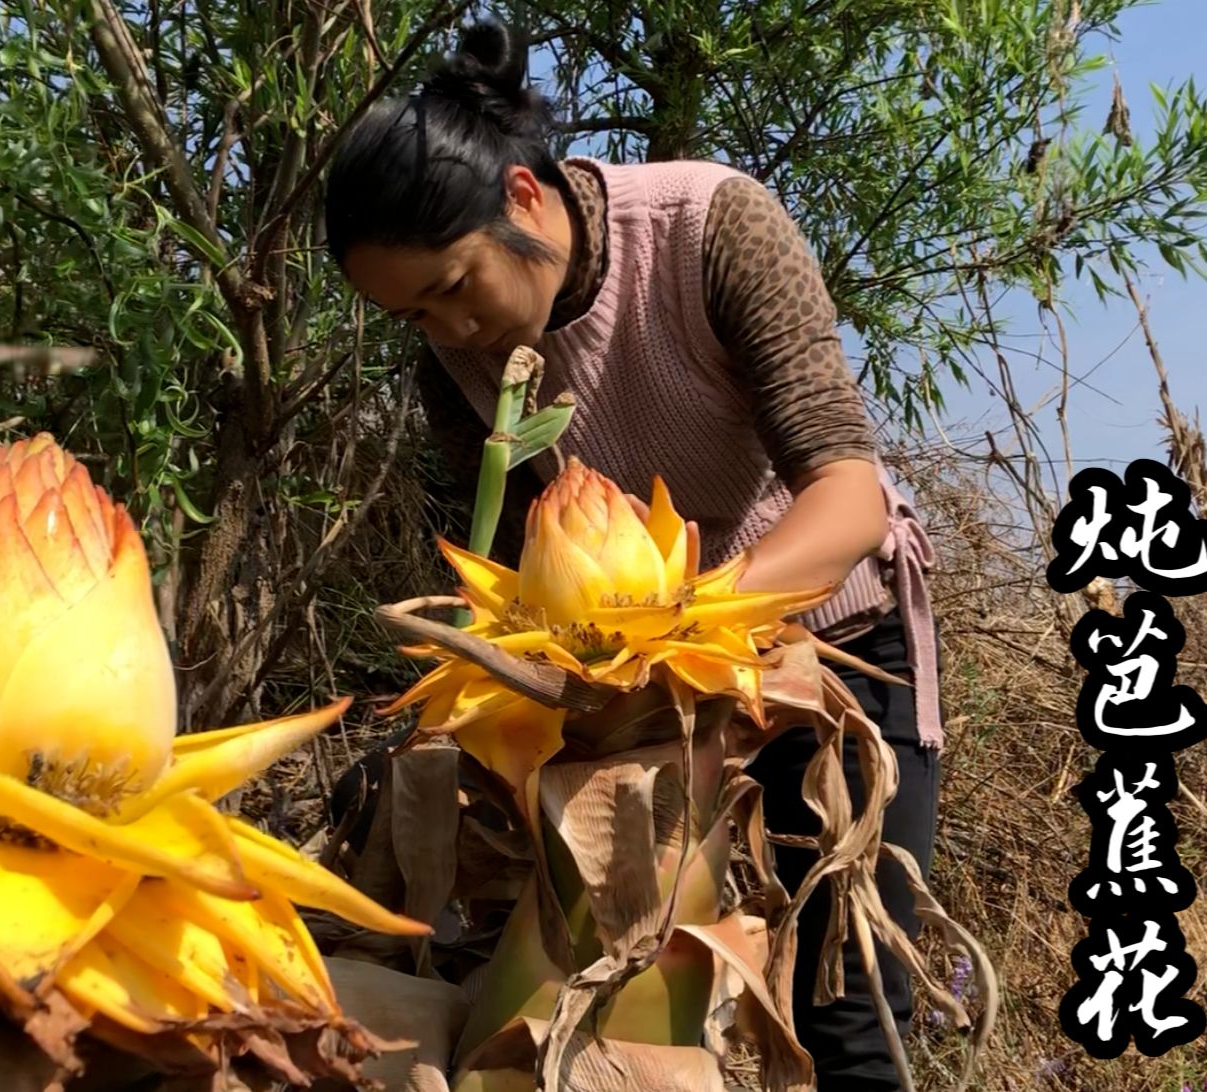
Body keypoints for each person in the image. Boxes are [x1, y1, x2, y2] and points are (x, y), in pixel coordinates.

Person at [320, 19, 944, 1092]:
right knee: (625, 1004)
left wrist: (674, 629)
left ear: (522, 198)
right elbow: (524, 570)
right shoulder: (458, 367)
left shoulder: (712, 227)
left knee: (840, 1007)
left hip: (824, 647)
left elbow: (844, 497)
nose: (447, 330)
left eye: (454, 285)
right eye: (411, 315)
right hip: (628, 703)